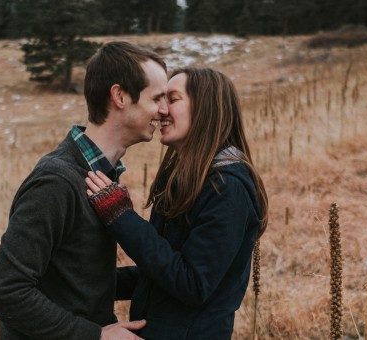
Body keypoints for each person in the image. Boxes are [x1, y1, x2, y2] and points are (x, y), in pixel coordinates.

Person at [0, 41, 169, 339]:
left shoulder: (100, 177)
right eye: (157, 98)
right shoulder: (56, 181)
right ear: (120, 96)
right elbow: (5, 292)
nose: (164, 110)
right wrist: (95, 336)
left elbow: (74, 279)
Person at [85, 67, 269, 339]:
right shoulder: (184, 178)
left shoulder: (228, 188)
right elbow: (162, 272)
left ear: (206, 108)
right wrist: (86, 284)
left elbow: (192, 284)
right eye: (161, 100)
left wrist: (122, 217)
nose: (161, 110)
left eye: (172, 99)